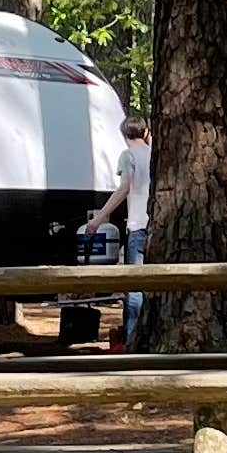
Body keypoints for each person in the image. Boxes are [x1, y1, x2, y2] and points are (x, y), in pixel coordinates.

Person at [83, 118, 153, 346]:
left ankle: (132, 341)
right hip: (155, 225)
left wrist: (98, 219)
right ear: (145, 132)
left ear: (124, 134)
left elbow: (124, 188)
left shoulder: (128, 155)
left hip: (137, 226)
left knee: (134, 287)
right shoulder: (155, 154)